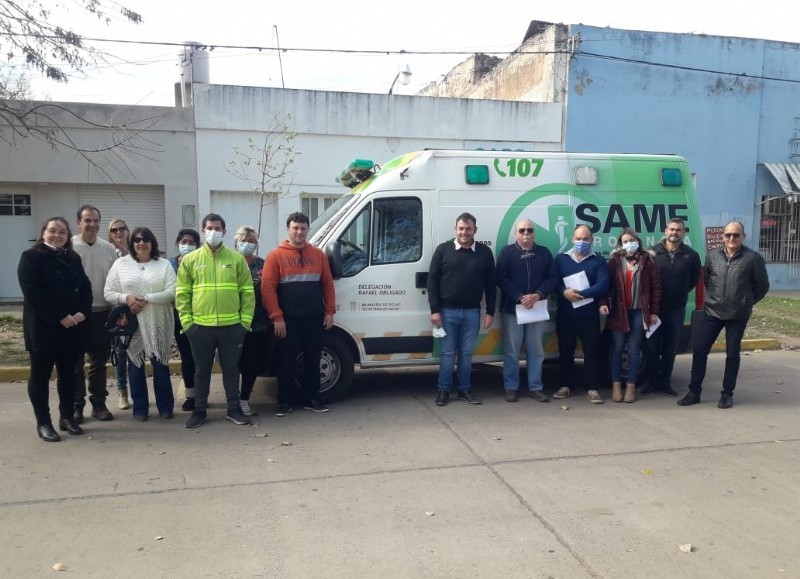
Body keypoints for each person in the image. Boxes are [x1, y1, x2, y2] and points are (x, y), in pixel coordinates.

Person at [678, 221, 769, 409]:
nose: (731, 238)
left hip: (738, 314)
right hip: (713, 312)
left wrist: (746, 302)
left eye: (736, 235)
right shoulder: (712, 256)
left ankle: (727, 394)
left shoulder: (753, 259)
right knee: (700, 350)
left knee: (732, 354)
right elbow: (708, 280)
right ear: (722, 237)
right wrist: (715, 299)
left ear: (743, 236)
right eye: (728, 235)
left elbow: (762, 286)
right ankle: (694, 392)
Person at [176, 213, 255, 428]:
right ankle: (199, 410)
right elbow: (182, 295)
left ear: (224, 231)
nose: (213, 232)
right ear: (203, 231)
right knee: (201, 370)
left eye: (217, 228)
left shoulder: (236, 259)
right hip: (200, 328)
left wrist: (244, 324)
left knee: (231, 369)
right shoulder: (190, 260)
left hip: (232, 327)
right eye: (209, 228)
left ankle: (233, 409)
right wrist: (188, 324)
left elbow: (247, 293)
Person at [18, 217, 92, 442]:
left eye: (62, 232)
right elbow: (33, 293)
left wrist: (83, 312)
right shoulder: (30, 257)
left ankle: (67, 417)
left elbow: (85, 287)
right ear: (43, 233)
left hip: (72, 327)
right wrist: (60, 317)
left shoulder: (72, 257)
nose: (57, 235)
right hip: (44, 327)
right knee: (40, 377)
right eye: (52, 231)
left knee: (69, 375)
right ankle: (44, 422)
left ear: (68, 236)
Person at [262, 212, 336, 416]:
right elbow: (267, 289)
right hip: (288, 321)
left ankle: (312, 399)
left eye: (303, 228)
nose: (299, 232)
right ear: (288, 229)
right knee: (286, 362)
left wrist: (329, 311)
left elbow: (327, 285)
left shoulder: (318, 254)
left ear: (308, 230)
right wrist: (276, 317)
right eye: (295, 228)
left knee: (313, 361)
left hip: (314, 319)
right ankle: (284, 402)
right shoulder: (276, 255)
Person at [104, 227, 176, 420]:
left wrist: (147, 298)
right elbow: (108, 292)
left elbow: (172, 291)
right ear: (132, 243)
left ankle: (166, 407)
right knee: (135, 364)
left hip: (158, 321)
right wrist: (127, 298)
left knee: (160, 363)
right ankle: (140, 409)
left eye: (145, 239)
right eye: (136, 240)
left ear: (152, 243)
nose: (141, 243)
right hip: (131, 323)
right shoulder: (121, 264)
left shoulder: (163, 265)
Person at [427, 212, 496, 407]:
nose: (464, 232)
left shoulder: (484, 253)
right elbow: (432, 281)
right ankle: (443, 390)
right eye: (461, 228)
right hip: (447, 312)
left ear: (475, 230)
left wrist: (490, 312)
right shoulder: (443, 250)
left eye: (468, 229)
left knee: (466, 353)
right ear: (455, 229)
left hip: (472, 312)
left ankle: (465, 389)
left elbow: (491, 285)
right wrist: (435, 310)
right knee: (448, 353)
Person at [496, 218, 556, 402]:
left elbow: (553, 278)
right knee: (512, 351)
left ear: (534, 233)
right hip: (513, 309)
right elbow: (501, 278)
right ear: (515, 233)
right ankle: (511, 387)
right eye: (522, 230)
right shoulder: (507, 253)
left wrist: (537, 294)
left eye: (529, 230)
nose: (526, 234)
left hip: (536, 308)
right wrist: (520, 297)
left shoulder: (544, 253)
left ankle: (535, 387)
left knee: (536, 350)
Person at [642, 218, 701, 396]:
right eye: (672, 229)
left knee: (670, 348)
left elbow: (693, 280)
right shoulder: (652, 253)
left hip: (676, 310)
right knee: (651, 348)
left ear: (683, 233)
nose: (674, 233)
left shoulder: (691, 255)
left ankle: (665, 382)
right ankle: (652, 382)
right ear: (665, 230)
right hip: (654, 310)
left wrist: (679, 293)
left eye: (678, 230)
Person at [552, 225, 610, 404]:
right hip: (566, 314)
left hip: (589, 315)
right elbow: (553, 281)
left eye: (585, 239)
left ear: (592, 240)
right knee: (565, 350)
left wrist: (581, 294)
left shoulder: (598, 261)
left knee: (591, 351)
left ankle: (592, 388)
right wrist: (564, 292)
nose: (581, 242)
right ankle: (565, 386)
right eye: (578, 238)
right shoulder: (561, 259)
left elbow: (603, 284)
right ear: (572, 238)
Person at [72, 205, 118, 423]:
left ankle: (98, 403)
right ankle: (76, 405)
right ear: (78, 222)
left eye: (96, 220)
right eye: (87, 220)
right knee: (75, 363)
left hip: (102, 313)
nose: (92, 225)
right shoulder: (69, 246)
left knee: (99, 362)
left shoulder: (108, 249)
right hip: (76, 316)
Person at [606, 228, 661, 403]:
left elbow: (656, 289)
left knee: (634, 349)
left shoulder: (648, 260)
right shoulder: (615, 261)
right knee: (617, 348)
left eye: (632, 240)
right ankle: (616, 386)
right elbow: (607, 285)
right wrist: (602, 304)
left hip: (639, 311)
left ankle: (631, 387)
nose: (629, 244)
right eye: (625, 241)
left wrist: (653, 312)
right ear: (620, 244)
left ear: (638, 241)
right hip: (618, 311)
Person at [234, 225, 274, 416]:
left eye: (251, 241)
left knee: (250, 364)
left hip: (257, 323)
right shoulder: (230, 263)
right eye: (243, 240)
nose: (247, 244)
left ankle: (244, 400)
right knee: (232, 364)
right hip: (232, 322)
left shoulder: (263, 265)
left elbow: (270, 290)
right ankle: (231, 401)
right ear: (236, 243)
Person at [168, 229, 200, 412]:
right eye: (183, 241)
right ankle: (190, 395)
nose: (187, 245)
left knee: (200, 358)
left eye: (191, 242)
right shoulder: (169, 264)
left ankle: (201, 394)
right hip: (178, 315)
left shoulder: (200, 263)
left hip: (200, 315)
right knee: (186, 357)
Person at [107, 218, 131, 410]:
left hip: (137, 307)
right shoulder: (108, 253)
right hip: (118, 308)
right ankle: (122, 391)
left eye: (122, 229)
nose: (118, 233)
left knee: (137, 352)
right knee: (121, 352)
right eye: (114, 230)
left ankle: (139, 390)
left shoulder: (136, 251)